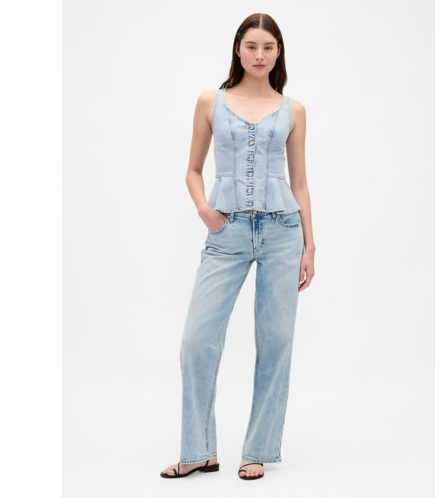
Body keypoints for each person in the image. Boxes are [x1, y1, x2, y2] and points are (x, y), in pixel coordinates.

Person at [160, 13, 316, 481]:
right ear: (238, 49)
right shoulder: (211, 101)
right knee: (196, 341)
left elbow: (300, 182)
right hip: (226, 232)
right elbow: (192, 169)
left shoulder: (293, 110)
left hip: (282, 231)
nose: (259, 55)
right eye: (252, 46)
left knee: (276, 340)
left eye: (268, 47)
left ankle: (257, 450)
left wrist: (310, 246)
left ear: (278, 52)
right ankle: (198, 451)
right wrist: (204, 210)